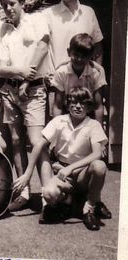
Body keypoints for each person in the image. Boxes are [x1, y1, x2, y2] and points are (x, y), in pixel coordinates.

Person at [0, 0, 50, 212]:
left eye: (12, 4)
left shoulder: (37, 20)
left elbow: (43, 45)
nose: (9, 9)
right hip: (11, 91)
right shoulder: (7, 34)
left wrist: (27, 79)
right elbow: (1, 68)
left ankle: (48, 195)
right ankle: (24, 192)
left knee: (37, 141)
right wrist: (19, 71)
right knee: (17, 141)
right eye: (5, 5)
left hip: (34, 90)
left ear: (22, 3)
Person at [40, 87, 111, 230]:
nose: (78, 106)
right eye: (74, 102)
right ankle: (67, 201)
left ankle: (89, 207)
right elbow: (40, 144)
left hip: (83, 174)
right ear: (67, 104)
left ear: (89, 106)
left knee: (99, 166)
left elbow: (97, 154)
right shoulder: (59, 121)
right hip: (64, 173)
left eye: (83, 103)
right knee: (48, 193)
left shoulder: (93, 124)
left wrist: (70, 168)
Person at [44, 0, 104, 72]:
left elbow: (98, 46)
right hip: (59, 80)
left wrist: (97, 73)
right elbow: (42, 47)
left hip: (85, 79)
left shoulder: (88, 12)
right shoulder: (48, 14)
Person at [52, 33, 107, 124]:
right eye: (76, 55)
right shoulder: (61, 72)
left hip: (89, 115)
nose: (79, 59)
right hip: (67, 114)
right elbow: (58, 106)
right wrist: (56, 129)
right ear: (69, 52)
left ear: (91, 56)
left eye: (84, 56)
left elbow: (98, 106)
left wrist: (98, 130)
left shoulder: (95, 73)